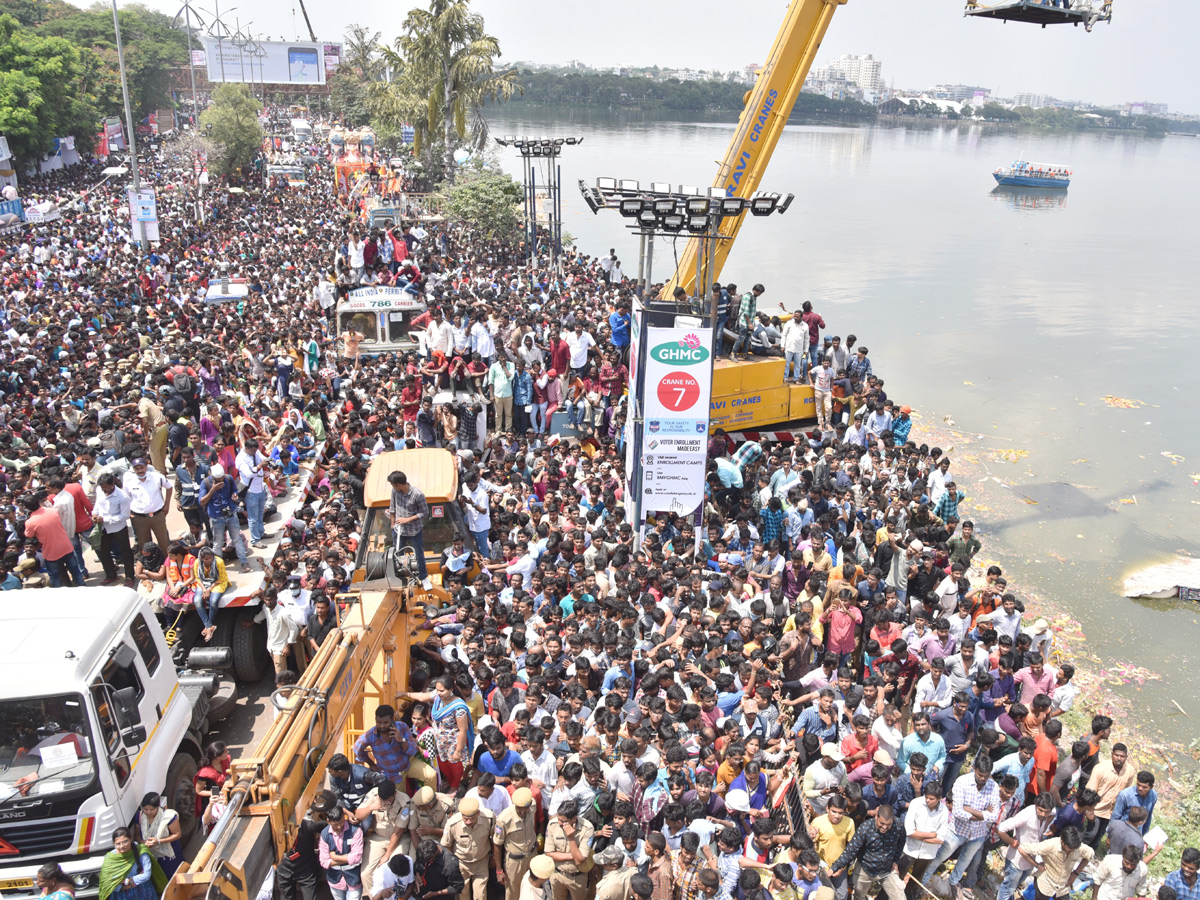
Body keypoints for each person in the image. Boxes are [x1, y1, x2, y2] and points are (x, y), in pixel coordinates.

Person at [440, 796, 493, 900]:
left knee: (480, 895)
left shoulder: (489, 819)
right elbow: (447, 845)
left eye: (472, 818)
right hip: (461, 863)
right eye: (465, 819)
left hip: (481, 861)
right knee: (462, 894)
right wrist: (453, 863)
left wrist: (493, 858)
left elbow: (494, 838)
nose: (469, 822)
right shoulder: (452, 823)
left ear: (478, 813)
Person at [387, 471, 431, 589]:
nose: (392, 487)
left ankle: (424, 577)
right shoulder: (395, 491)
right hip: (399, 531)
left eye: (393, 484)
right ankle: (401, 578)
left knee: (419, 554)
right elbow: (392, 508)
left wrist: (408, 519)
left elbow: (424, 512)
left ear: (398, 484)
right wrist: (392, 525)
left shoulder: (417, 495)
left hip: (414, 530)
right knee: (397, 555)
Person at [97, 828, 167, 900]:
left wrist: (126, 881)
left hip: (144, 893)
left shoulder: (141, 851)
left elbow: (146, 875)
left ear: (131, 839)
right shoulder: (110, 858)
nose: (122, 846)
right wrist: (122, 887)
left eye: (125, 842)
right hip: (121, 895)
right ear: (114, 844)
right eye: (118, 844)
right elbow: (107, 881)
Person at [494, 788, 538, 900]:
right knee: (514, 893)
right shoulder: (504, 819)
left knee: (534, 890)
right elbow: (497, 844)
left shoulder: (532, 806)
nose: (523, 811)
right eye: (520, 808)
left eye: (526, 808)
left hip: (532, 856)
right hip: (515, 862)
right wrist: (499, 870)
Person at [320, 804, 366, 900]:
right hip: (335, 880)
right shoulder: (324, 834)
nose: (340, 826)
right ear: (328, 821)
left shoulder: (356, 831)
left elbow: (356, 857)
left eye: (341, 822)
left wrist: (334, 857)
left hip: (353, 878)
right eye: (335, 824)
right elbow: (324, 862)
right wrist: (348, 857)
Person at [136, 793, 183, 879]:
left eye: (151, 809)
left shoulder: (168, 816)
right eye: (145, 809)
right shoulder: (140, 816)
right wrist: (143, 842)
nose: (148, 812)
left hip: (169, 856)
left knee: (175, 877)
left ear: (158, 807)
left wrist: (159, 841)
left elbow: (177, 834)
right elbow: (137, 835)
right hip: (153, 856)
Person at [236, 438, 270, 547]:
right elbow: (248, 474)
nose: (255, 453)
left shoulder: (255, 452)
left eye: (256, 451)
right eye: (252, 451)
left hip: (260, 487)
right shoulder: (241, 459)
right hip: (251, 491)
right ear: (246, 448)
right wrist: (260, 466)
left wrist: (269, 461)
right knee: (252, 517)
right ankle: (255, 540)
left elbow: (263, 458)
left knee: (260, 513)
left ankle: (261, 533)